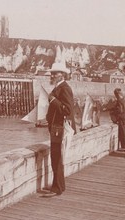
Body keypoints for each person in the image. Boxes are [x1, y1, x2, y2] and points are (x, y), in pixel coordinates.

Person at [45, 62, 76, 196]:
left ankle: (57, 188)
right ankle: (59, 185)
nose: (52, 75)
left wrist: (53, 101)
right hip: (55, 127)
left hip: (61, 128)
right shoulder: (58, 87)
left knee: (57, 157)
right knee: (56, 156)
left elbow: (68, 110)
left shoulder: (65, 88)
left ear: (62, 75)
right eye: (52, 73)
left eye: (55, 73)